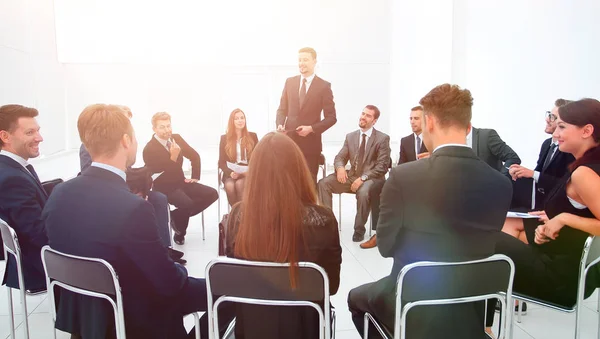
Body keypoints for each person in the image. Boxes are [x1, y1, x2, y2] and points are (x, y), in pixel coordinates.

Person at [43, 104, 233, 339]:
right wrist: (179, 270)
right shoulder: (134, 208)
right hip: (135, 312)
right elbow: (169, 283)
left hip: (87, 312)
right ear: (125, 141)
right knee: (230, 292)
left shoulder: (58, 194)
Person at [347, 84, 512, 339]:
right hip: (472, 302)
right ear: (468, 128)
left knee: (355, 299)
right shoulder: (501, 183)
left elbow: (386, 246)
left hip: (414, 297)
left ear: (430, 122)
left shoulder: (403, 177)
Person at [489, 98, 600, 331]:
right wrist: (552, 221)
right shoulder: (586, 165)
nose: (556, 133)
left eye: (562, 127)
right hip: (569, 262)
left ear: (587, 131)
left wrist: (564, 218)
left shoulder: (585, 174)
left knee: (483, 238)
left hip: (564, 278)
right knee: (503, 227)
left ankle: (482, 321)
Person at [225, 132, 342, 339]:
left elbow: (233, 277)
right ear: (298, 170)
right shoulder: (324, 219)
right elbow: (330, 286)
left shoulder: (237, 216)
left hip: (252, 326)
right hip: (306, 327)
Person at [79, 106, 184, 264]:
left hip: (125, 188)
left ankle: (164, 248)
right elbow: (93, 175)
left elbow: (125, 171)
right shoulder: (92, 147)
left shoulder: (122, 144)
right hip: (110, 193)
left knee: (159, 198)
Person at [317, 105, 390, 245]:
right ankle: (328, 226)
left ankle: (359, 229)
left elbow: (382, 166)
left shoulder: (382, 139)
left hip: (371, 178)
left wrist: (362, 178)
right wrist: (340, 168)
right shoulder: (351, 137)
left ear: (374, 121)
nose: (363, 117)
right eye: (363, 113)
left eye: (368, 115)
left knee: (363, 192)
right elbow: (340, 157)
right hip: (351, 176)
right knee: (323, 183)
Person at [143, 112, 218, 245]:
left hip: (181, 182)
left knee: (212, 194)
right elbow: (161, 174)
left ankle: (176, 216)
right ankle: (180, 233)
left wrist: (195, 177)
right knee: (187, 204)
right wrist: (173, 156)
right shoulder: (149, 149)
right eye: (162, 127)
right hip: (164, 187)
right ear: (154, 129)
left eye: (168, 126)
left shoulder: (176, 138)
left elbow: (194, 156)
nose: (167, 130)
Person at [0, 104, 47, 292]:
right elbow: (38, 233)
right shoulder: (12, 178)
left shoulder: (14, 168)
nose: (39, 138)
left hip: (31, 258)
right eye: (30, 132)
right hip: (36, 267)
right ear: (5, 137)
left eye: (38, 131)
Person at [276, 47, 337, 183]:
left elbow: (331, 118)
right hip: (289, 143)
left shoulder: (323, 86)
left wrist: (311, 129)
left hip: (310, 145)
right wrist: (280, 124)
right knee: (288, 183)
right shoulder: (290, 82)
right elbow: (281, 109)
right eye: (299, 60)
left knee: (308, 184)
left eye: (305, 60)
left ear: (314, 61)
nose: (301, 63)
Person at [509, 99, 575, 210]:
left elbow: (565, 185)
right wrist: (520, 171)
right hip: (541, 205)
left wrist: (533, 174)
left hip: (559, 209)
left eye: (553, 117)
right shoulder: (546, 144)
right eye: (549, 114)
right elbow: (538, 173)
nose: (547, 119)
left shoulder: (570, 149)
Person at [218, 108, 259, 206]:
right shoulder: (224, 138)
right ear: (232, 121)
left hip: (248, 172)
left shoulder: (253, 136)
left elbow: (258, 158)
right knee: (229, 185)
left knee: (240, 184)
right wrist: (231, 173)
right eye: (236, 119)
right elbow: (221, 162)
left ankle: (243, 215)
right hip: (231, 173)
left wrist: (248, 172)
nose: (240, 121)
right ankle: (236, 215)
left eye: (242, 118)